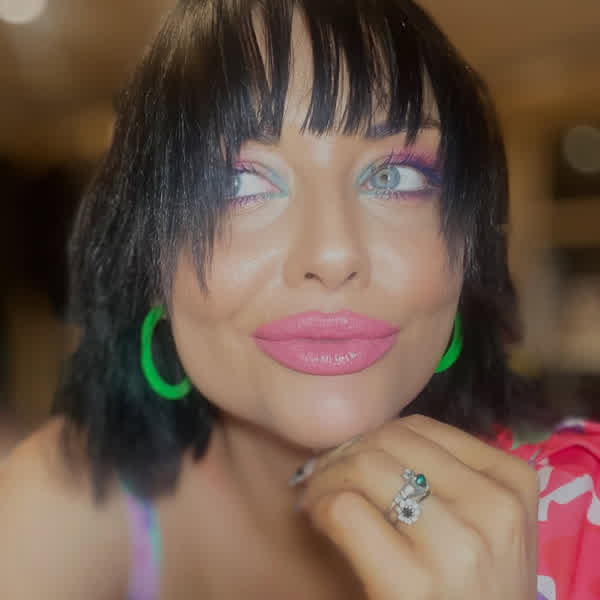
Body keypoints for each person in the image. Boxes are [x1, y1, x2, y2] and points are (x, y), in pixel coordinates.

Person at [1, 1, 598, 598]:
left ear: (467, 253)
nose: (333, 254)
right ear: (150, 260)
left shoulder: (580, 519)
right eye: (237, 182)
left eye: (393, 176)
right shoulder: (67, 500)